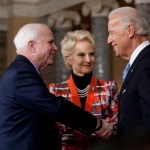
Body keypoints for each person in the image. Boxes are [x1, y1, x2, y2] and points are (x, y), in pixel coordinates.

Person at [0, 23, 112, 150]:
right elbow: (56, 107)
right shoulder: (21, 74)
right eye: (50, 42)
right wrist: (97, 124)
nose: (55, 47)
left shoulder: (20, 71)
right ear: (32, 46)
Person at [49, 30, 119, 149]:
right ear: (68, 59)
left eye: (91, 54)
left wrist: (111, 130)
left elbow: (117, 126)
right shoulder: (55, 91)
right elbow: (50, 132)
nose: (88, 60)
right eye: (81, 55)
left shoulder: (109, 87)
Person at [107, 6, 150, 146]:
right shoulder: (138, 64)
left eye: (112, 33)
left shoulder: (147, 63)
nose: (108, 40)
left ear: (130, 31)